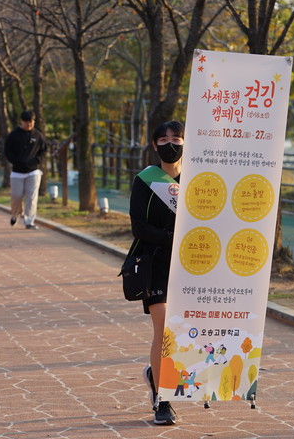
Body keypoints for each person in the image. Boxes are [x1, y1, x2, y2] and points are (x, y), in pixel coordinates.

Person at [128, 119, 184, 426]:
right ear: (154, 145)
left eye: (176, 138)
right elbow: (138, 226)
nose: (170, 144)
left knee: (180, 331)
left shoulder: (200, 179)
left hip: (191, 267)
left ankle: (155, 374)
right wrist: (170, 238)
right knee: (163, 330)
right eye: (163, 140)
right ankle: (163, 400)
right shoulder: (145, 180)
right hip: (155, 263)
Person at [4, 110, 46, 229]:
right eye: (26, 121)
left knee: (31, 197)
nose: (29, 124)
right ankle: (15, 214)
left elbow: (43, 151)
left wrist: (36, 160)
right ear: (21, 121)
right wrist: (18, 161)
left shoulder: (38, 135)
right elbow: (8, 152)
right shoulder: (13, 135)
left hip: (33, 171)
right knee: (16, 196)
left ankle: (29, 221)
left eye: (31, 121)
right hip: (17, 172)